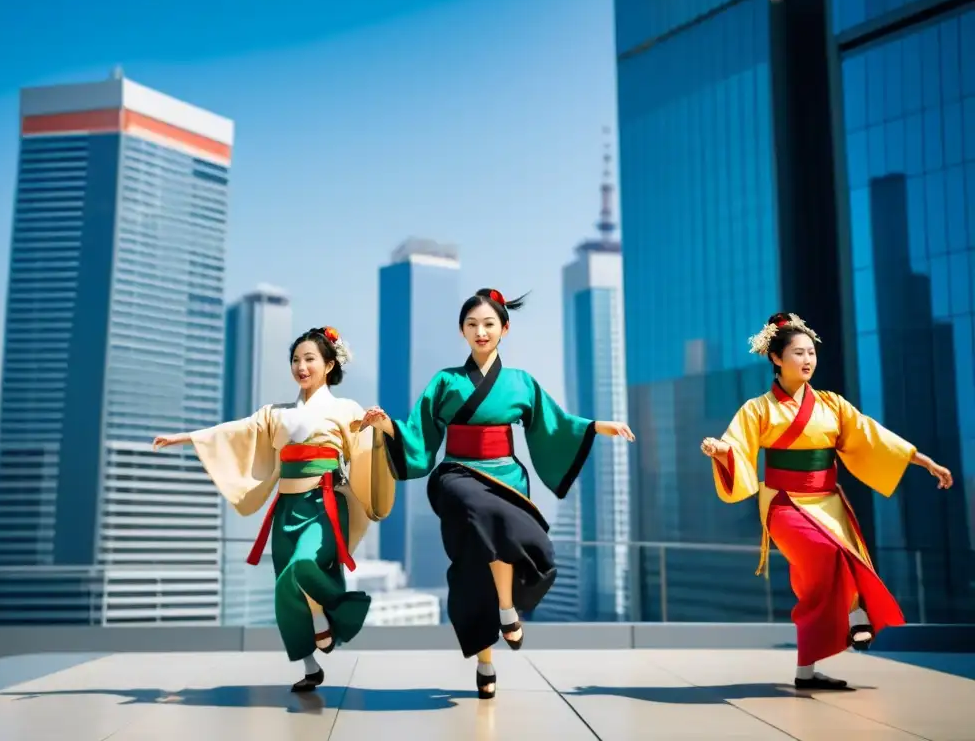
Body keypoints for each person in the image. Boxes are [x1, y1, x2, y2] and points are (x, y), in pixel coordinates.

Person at [360, 288, 635, 699]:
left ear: (504, 328)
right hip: (457, 474)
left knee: (499, 550)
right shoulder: (446, 381)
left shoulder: (521, 382)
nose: (481, 331)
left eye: (489, 324)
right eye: (472, 324)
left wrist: (596, 425)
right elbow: (418, 432)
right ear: (462, 331)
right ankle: (489, 649)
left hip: (506, 475)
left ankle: (501, 622)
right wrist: (386, 427)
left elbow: (554, 422)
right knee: (477, 513)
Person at [700, 312, 952, 691]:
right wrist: (721, 451)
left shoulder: (832, 404)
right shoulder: (759, 409)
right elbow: (736, 444)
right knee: (827, 554)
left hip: (828, 501)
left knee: (817, 580)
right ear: (776, 358)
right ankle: (855, 614)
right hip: (784, 502)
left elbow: (872, 436)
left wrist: (923, 460)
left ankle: (806, 672)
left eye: (811, 353)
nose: (807, 360)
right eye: (798, 353)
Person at [152, 326, 395, 692]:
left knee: (302, 566)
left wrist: (378, 426)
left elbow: (367, 449)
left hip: (324, 506)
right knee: (285, 584)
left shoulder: (346, 410)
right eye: (296, 360)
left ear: (329, 364)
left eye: (310, 359)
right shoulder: (275, 414)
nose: (301, 366)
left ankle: (338, 613)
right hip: (286, 510)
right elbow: (235, 431)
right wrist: (186, 438)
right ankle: (310, 665)